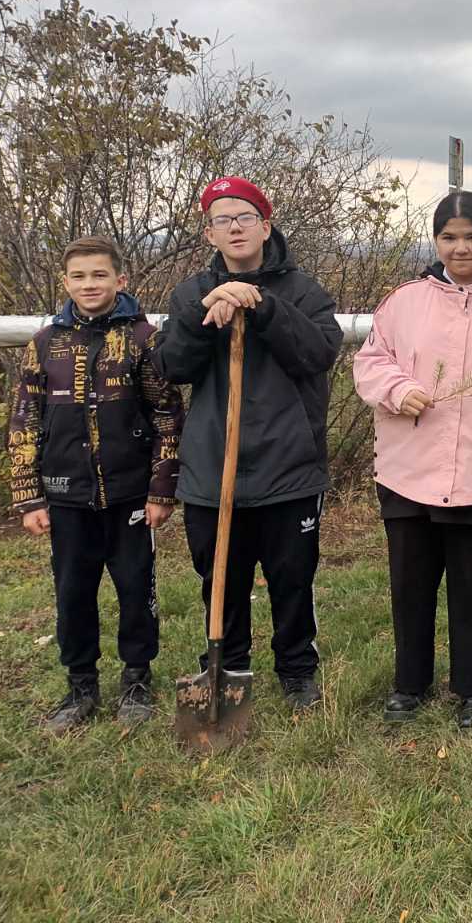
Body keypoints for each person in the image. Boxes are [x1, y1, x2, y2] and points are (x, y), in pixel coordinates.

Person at [352, 191, 472, 728]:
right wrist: (397, 388)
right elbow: (370, 363)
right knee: (410, 583)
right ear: (436, 242)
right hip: (407, 467)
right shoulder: (404, 301)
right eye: (450, 237)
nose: (461, 248)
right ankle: (409, 684)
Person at [160, 176, 344, 712]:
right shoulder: (191, 292)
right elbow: (172, 365)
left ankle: (296, 669)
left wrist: (260, 306)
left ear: (266, 226)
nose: (235, 227)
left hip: (288, 465)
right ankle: (228, 665)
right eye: (223, 219)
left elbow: (317, 354)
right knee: (221, 573)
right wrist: (209, 310)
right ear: (209, 233)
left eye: (245, 217)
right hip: (213, 468)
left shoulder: (304, 291)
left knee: (292, 576)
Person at [9, 236, 183, 734]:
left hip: (129, 497)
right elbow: (24, 419)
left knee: (135, 588)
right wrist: (29, 495)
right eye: (80, 276)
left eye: (100, 275)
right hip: (65, 496)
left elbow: (168, 415)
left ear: (120, 280)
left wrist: (161, 488)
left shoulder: (143, 338)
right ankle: (80, 684)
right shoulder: (45, 343)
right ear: (65, 283)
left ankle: (136, 681)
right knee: (73, 592)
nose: (90, 284)